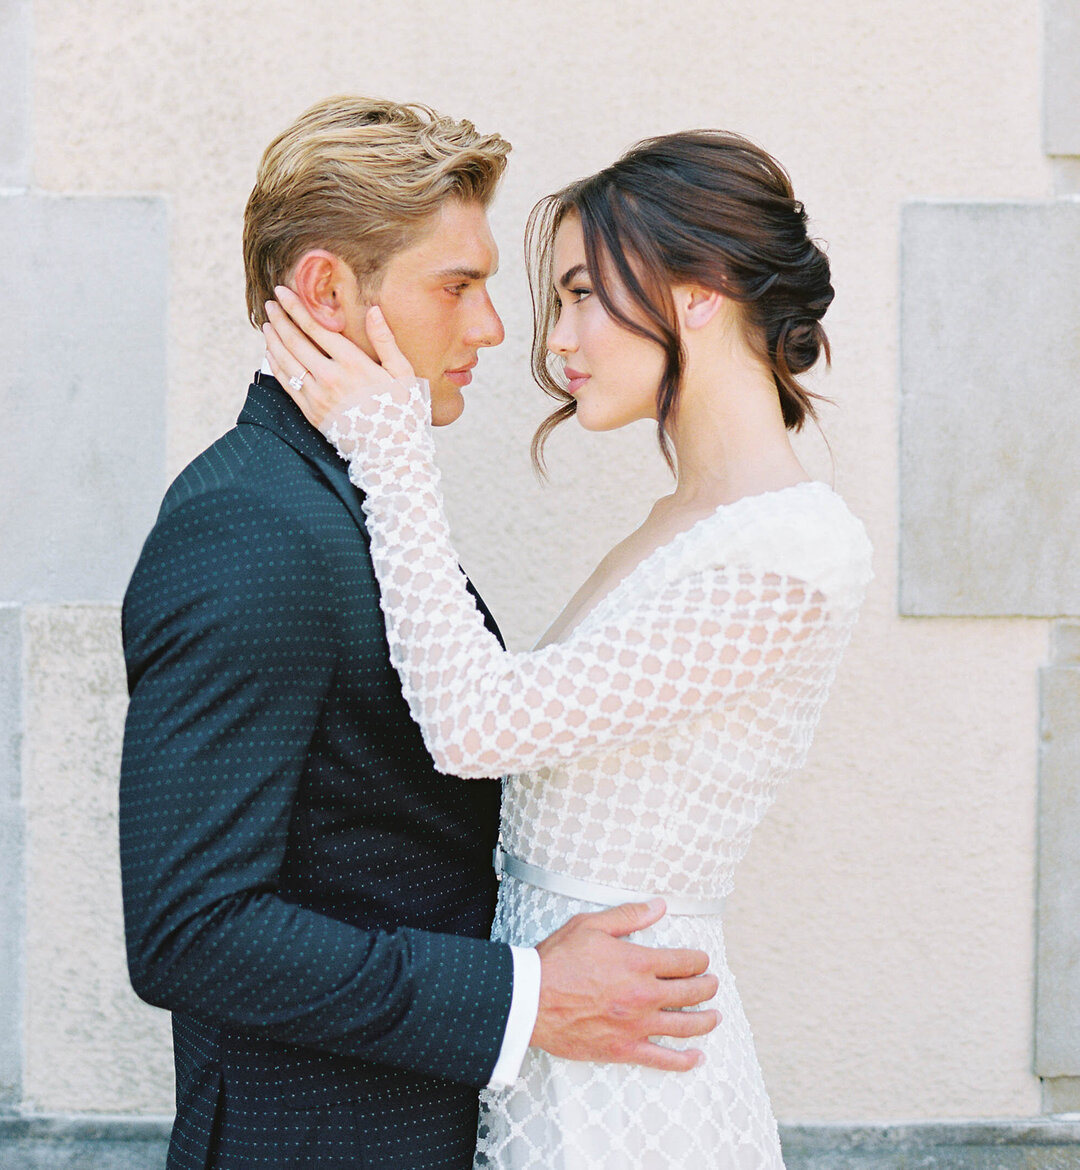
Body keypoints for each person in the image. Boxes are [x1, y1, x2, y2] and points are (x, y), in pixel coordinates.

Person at [119, 98, 721, 1170]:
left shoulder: (341, 495)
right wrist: (527, 996)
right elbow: (190, 928)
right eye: (458, 285)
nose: (492, 327)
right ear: (325, 290)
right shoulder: (248, 528)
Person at [264, 128, 875, 1170]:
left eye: (586, 292)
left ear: (698, 291)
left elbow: (475, 724)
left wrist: (391, 449)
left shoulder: (792, 550)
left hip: (633, 1081)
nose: (557, 342)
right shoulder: (680, 522)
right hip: (559, 1034)